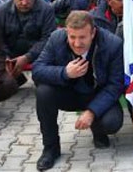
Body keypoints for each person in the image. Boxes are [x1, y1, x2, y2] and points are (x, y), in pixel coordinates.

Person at [32, 11, 124, 170]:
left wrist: (92, 112)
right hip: (69, 93)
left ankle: (98, 129)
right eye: (72, 37)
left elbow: (115, 85)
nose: (77, 43)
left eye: (82, 37)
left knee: (112, 123)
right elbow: (37, 70)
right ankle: (51, 148)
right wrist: (64, 73)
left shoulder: (113, 44)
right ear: (66, 32)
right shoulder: (56, 38)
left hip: (98, 94)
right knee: (43, 92)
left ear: (93, 32)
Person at [0, 0, 57, 82]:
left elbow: (48, 38)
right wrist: (5, 58)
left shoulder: (46, 9)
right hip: (10, 55)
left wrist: (28, 57)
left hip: (39, 56)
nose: (24, 2)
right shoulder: (1, 11)